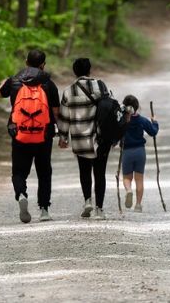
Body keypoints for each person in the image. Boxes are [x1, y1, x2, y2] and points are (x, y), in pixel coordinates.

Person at [0, 49, 60, 223]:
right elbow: (55, 112)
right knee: (44, 172)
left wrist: (5, 81)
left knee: (18, 171)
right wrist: (60, 132)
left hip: (19, 133)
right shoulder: (48, 83)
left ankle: (22, 193)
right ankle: (44, 209)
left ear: (26, 62)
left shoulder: (15, 80)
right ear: (43, 65)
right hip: (43, 134)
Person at [57, 58, 113, 220]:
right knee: (100, 172)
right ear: (90, 70)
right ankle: (99, 209)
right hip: (100, 138)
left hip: (79, 138)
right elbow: (108, 109)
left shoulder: (68, 91)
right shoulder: (100, 85)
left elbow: (64, 117)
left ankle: (87, 200)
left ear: (74, 71)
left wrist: (63, 137)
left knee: (84, 170)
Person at [120, 94, 159, 212]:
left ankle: (128, 191)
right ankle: (138, 205)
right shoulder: (142, 120)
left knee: (127, 178)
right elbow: (153, 132)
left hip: (126, 152)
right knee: (139, 179)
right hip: (140, 152)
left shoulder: (122, 120)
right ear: (137, 107)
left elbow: (116, 133)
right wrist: (155, 122)